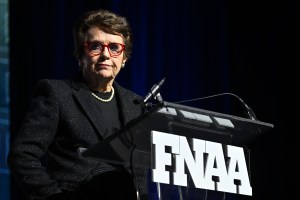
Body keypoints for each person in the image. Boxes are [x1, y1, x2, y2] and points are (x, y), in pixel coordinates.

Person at [7, 9, 143, 200]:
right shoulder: (56, 93)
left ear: (124, 58)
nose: (106, 55)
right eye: (95, 46)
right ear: (80, 55)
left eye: (114, 48)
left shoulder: (136, 104)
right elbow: (22, 155)